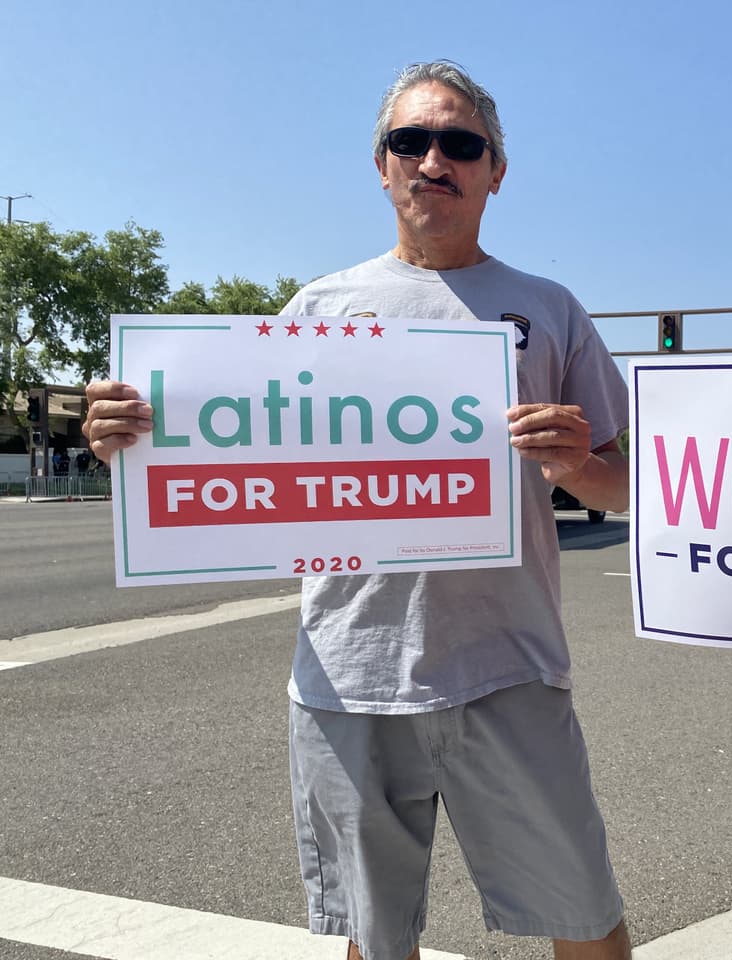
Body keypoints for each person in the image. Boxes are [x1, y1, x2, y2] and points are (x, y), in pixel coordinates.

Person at [82, 61, 632, 960]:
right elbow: (234, 454)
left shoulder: (550, 310)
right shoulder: (317, 310)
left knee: (585, 919)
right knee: (372, 944)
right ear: (381, 165)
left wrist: (579, 467)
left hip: (512, 669)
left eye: (460, 143)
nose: (432, 159)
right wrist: (136, 439)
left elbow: (625, 484)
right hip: (350, 676)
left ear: (496, 170)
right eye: (408, 141)